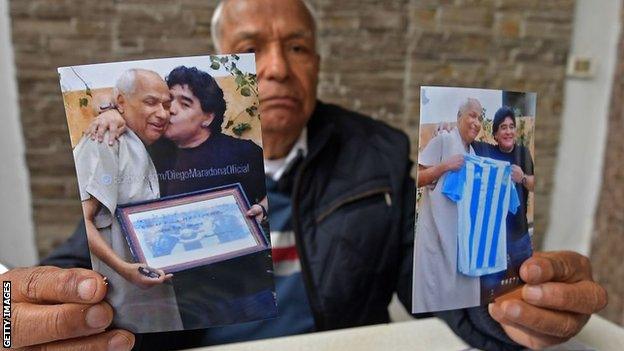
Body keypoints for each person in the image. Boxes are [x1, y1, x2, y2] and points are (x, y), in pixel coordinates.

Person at [1, 0, 607, 350]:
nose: (276, 69)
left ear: (316, 63)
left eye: (297, 47)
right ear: (224, 60)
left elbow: (442, 291)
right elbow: (80, 271)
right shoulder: (155, 154)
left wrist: (513, 311)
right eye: (251, 46)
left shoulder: (377, 153)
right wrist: (22, 311)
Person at [74, 68, 183, 332]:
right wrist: (125, 269)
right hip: (120, 303)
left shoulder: (141, 143)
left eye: (166, 105)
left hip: (151, 299)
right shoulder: (104, 140)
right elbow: (82, 222)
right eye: (150, 102)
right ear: (121, 103)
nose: (162, 113)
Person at [412, 98, 484, 313]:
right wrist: (444, 166)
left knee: (462, 304)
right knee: (435, 301)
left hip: (460, 244)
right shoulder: (443, 141)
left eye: (480, 118)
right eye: (472, 115)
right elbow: (417, 177)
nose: (476, 122)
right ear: (458, 117)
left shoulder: (473, 154)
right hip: (436, 239)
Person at [473, 107, 536, 303]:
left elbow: (534, 183)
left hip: (520, 236)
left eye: (511, 127)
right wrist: (446, 129)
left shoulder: (523, 153)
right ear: (496, 135)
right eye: (503, 128)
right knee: (490, 289)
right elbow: (463, 139)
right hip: (494, 238)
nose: (508, 131)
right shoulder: (487, 151)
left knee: (528, 282)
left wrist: (522, 177)